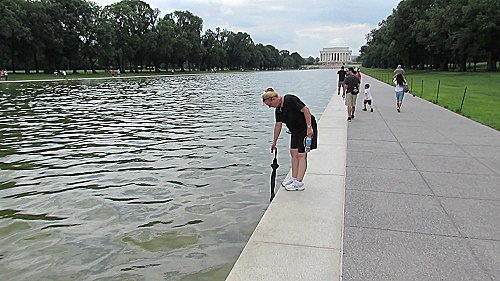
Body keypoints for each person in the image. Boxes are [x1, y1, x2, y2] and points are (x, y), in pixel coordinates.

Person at [262, 87, 318, 191]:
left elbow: (306, 110)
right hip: (295, 130)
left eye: (269, 105)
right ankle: (294, 177)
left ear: (273, 99)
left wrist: (309, 127)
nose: (270, 107)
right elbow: (278, 126)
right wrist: (274, 141)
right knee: (293, 152)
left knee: (301, 154)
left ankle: (299, 182)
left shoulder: (290, 99)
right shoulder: (278, 110)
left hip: (305, 128)